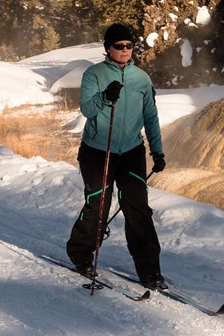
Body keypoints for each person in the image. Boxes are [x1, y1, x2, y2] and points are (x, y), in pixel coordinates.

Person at [66, 22, 168, 290]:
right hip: (97, 151)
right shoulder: (93, 74)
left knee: (138, 210)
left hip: (132, 151)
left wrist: (157, 151)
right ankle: (80, 254)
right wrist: (104, 97)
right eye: (118, 46)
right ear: (107, 48)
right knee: (98, 203)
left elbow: (151, 117)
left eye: (129, 46)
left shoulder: (142, 79)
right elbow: (87, 109)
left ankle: (150, 271)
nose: (125, 50)